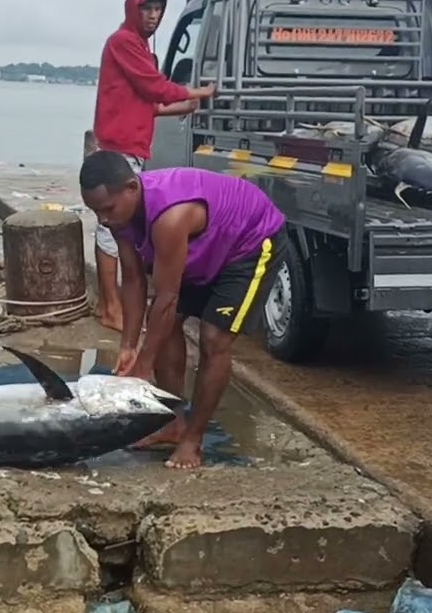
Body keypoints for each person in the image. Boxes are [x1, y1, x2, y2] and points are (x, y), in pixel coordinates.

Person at [79, 151, 288, 470]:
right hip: (207, 245)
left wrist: (144, 366)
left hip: (250, 242)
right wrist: (129, 347)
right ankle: (172, 424)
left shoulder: (170, 216)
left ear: (132, 188)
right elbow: (134, 281)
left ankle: (193, 440)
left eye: (107, 209)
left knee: (213, 339)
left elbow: (166, 298)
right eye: (95, 211)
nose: (103, 219)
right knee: (167, 325)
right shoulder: (120, 219)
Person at [91, 0, 217, 331]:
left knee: (120, 227)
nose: (153, 16)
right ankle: (110, 307)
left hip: (130, 143)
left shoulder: (141, 49)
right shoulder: (124, 42)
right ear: (133, 9)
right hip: (120, 146)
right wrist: (199, 91)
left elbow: (142, 102)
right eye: (146, 8)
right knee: (112, 227)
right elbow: (153, 86)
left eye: (158, 9)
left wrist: (178, 105)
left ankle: (114, 304)